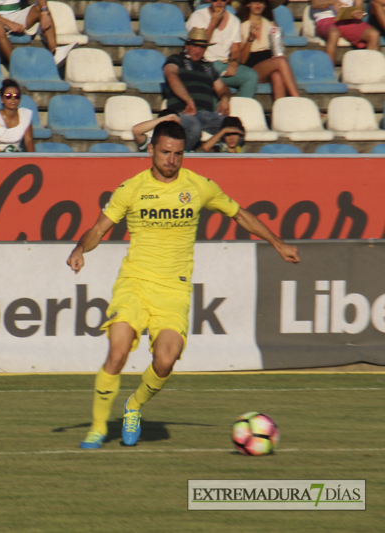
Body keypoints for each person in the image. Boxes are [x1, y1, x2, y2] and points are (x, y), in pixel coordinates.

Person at [67, 120, 300, 450]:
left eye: (178, 154)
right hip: (134, 282)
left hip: (173, 290)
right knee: (117, 352)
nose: (171, 160)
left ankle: (133, 405)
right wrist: (79, 249)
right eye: (165, 152)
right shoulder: (131, 188)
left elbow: (239, 214)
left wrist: (277, 243)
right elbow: (98, 229)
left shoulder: (199, 186)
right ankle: (97, 428)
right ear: (151, 150)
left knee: (166, 360)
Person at [162, 28, 232, 151]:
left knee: (234, 128)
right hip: (183, 112)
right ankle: (183, 157)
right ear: (187, 45)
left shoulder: (208, 67)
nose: (198, 50)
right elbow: (171, 76)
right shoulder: (176, 60)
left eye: (202, 47)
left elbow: (222, 88)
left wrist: (225, 99)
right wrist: (189, 100)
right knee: (194, 128)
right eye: (195, 46)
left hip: (207, 114)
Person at [186, 0, 259, 98]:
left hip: (223, 65)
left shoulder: (234, 21)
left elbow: (235, 50)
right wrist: (213, 23)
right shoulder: (198, 16)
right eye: (215, 0)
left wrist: (234, 64)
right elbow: (198, 47)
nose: (219, 2)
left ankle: (242, 111)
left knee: (251, 76)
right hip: (203, 64)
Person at [0, 0, 76, 65]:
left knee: (40, 9)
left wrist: (44, 11)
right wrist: (9, 24)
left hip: (16, 14)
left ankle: (55, 53)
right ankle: (18, 67)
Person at [236, 0, 300, 101]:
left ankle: (279, 112)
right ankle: (299, 101)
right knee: (280, 61)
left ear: (265, 5)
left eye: (261, 2)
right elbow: (242, 60)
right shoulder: (240, 27)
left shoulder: (271, 25)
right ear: (248, 4)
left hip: (269, 66)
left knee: (277, 76)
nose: (258, 4)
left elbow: (279, 50)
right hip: (251, 69)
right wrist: (250, 38)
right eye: (254, 1)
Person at [310, 0, 379, 63]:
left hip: (348, 18)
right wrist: (333, 2)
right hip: (326, 18)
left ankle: (368, 71)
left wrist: (359, 11)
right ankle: (328, 73)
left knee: (373, 34)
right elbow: (314, 4)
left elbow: (359, 3)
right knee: (334, 33)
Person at [0, 79, 34, 152]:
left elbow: (28, 142)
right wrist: (5, 162)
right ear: (2, 99)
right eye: (8, 96)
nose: (13, 99)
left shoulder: (25, 115)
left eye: (16, 96)